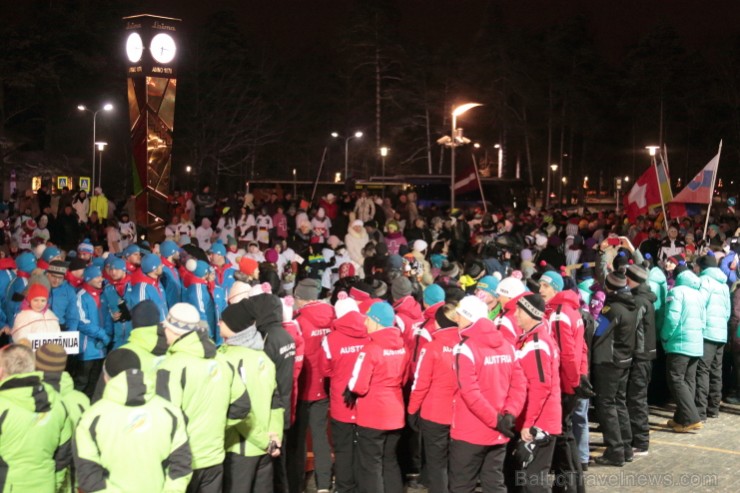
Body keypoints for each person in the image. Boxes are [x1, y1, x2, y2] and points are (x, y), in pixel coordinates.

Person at [156, 303, 251, 493]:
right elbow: (242, 406)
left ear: (173, 330)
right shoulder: (222, 361)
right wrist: (216, 426)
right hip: (214, 458)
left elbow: (164, 420)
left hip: (180, 463)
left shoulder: (170, 367)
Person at [74, 348, 193, 493]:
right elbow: (181, 465)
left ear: (105, 377)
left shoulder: (91, 418)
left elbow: (88, 474)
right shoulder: (170, 412)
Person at [448, 295, 526, 492]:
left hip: (470, 431)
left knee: (462, 486)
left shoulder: (464, 348)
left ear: (468, 317)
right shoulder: (507, 345)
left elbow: (470, 393)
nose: (456, 319)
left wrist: (497, 420)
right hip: (500, 429)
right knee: (494, 484)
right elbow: (519, 384)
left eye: (459, 315)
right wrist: (509, 414)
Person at [219, 304, 284, 493]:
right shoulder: (263, 357)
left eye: (223, 320)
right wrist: (274, 435)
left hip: (241, 448)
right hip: (266, 447)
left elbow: (238, 410)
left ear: (235, 327)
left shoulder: (225, 360)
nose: (219, 322)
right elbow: (276, 402)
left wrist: (263, 441)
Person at [347, 301, 409, 493]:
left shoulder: (371, 349)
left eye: (367, 319)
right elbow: (405, 379)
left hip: (373, 414)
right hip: (395, 412)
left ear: (376, 321)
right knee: (390, 461)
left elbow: (358, 386)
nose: (365, 323)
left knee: (371, 466)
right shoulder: (402, 347)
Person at [538, 270, 587, 490]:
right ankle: (573, 484)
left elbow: (566, 353)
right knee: (566, 437)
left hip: (564, 383)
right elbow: (582, 348)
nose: (540, 290)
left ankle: (567, 485)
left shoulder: (559, 313)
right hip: (572, 381)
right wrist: (581, 376)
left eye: (545, 286)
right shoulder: (571, 310)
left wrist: (572, 383)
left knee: (563, 437)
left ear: (556, 288)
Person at [0, 344, 72, 492]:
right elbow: (63, 455)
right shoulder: (58, 403)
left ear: (2, 370)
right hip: (46, 486)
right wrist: (54, 484)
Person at [287, 278, 335, 493]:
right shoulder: (332, 317)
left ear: (300, 299)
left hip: (304, 386)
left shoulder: (298, 322)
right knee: (320, 436)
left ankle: (296, 484)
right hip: (324, 386)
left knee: (299, 440)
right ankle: (324, 484)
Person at [318, 293, 369, 493]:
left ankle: (345, 487)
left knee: (343, 448)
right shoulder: (370, 331)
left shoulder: (331, 339)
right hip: (366, 399)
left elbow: (325, 370)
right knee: (365, 448)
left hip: (342, 401)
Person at [511, 293, 562, 492]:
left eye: (519, 311)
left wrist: (529, 423)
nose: (515, 315)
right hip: (538, 419)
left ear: (531, 314)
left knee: (534, 480)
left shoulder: (537, 343)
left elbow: (541, 386)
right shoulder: (531, 339)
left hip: (541, 422)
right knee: (529, 479)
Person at [407, 303, 459, 493]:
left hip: (434, 415)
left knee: (437, 466)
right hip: (459, 414)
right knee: (456, 464)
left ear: (438, 322)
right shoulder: (465, 344)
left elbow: (420, 384)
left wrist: (412, 410)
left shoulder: (431, 348)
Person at [591, 272, 638, 466]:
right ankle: (626, 447)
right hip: (624, 359)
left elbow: (598, 332)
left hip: (608, 361)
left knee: (607, 405)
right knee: (619, 403)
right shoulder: (631, 305)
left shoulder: (611, 309)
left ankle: (615, 450)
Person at [36, 343, 90, 492]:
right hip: (75, 479)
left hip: (42, 481)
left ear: (37, 364)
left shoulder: (30, 398)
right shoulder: (81, 400)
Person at [661, 259, 705, 432]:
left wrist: (665, 336)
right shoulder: (698, 293)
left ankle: (691, 418)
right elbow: (703, 320)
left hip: (680, 343)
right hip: (695, 343)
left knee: (676, 379)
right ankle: (681, 418)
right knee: (688, 380)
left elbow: (672, 318)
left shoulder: (677, 291)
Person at [625, 264, 657, 456]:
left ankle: (641, 441)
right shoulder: (647, 298)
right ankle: (639, 438)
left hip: (640, 355)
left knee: (636, 399)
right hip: (647, 354)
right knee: (638, 397)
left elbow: (631, 329)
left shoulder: (638, 301)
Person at [696, 252, 730, 421]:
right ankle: (714, 408)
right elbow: (728, 311)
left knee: (703, 370)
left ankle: (701, 410)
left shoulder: (704, 281)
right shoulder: (724, 284)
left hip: (707, 332)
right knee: (717, 371)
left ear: (703, 267)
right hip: (721, 333)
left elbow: (700, 305)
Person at [74, 265, 111, 397]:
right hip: (87, 348)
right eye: (97, 276)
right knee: (82, 381)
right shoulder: (81, 296)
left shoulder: (102, 295)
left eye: (101, 276)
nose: (101, 279)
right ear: (89, 278)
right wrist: (102, 335)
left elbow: (107, 316)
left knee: (95, 382)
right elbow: (82, 322)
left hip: (101, 349)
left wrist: (107, 334)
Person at [101, 256, 134, 349]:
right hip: (117, 337)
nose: (113, 272)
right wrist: (112, 315)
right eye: (111, 269)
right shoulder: (107, 289)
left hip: (133, 336)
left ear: (124, 270)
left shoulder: (134, 284)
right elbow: (105, 310)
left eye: (116, 269)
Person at [130, 253, 168, 321]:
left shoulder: (158, 283)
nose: (162, 266)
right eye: (160, 265)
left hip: (163, 328)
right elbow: (141, 316)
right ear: (154, 269)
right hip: (153, 330)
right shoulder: (142, 288)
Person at [46, 260, 80, 331]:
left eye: (60, 278)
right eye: (54, 276)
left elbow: (73, 317)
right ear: (47, 274)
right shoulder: (39, 286)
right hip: (40, 329)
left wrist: (70, 335)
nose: (56, 280)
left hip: (61, 329)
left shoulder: (69, 291)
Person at [160, 239, 184, 308]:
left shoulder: (174, 268)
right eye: (177, 251)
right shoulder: (162, 270)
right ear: (172, 252)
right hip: (169, 309)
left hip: (177, 307)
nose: (178, 253)